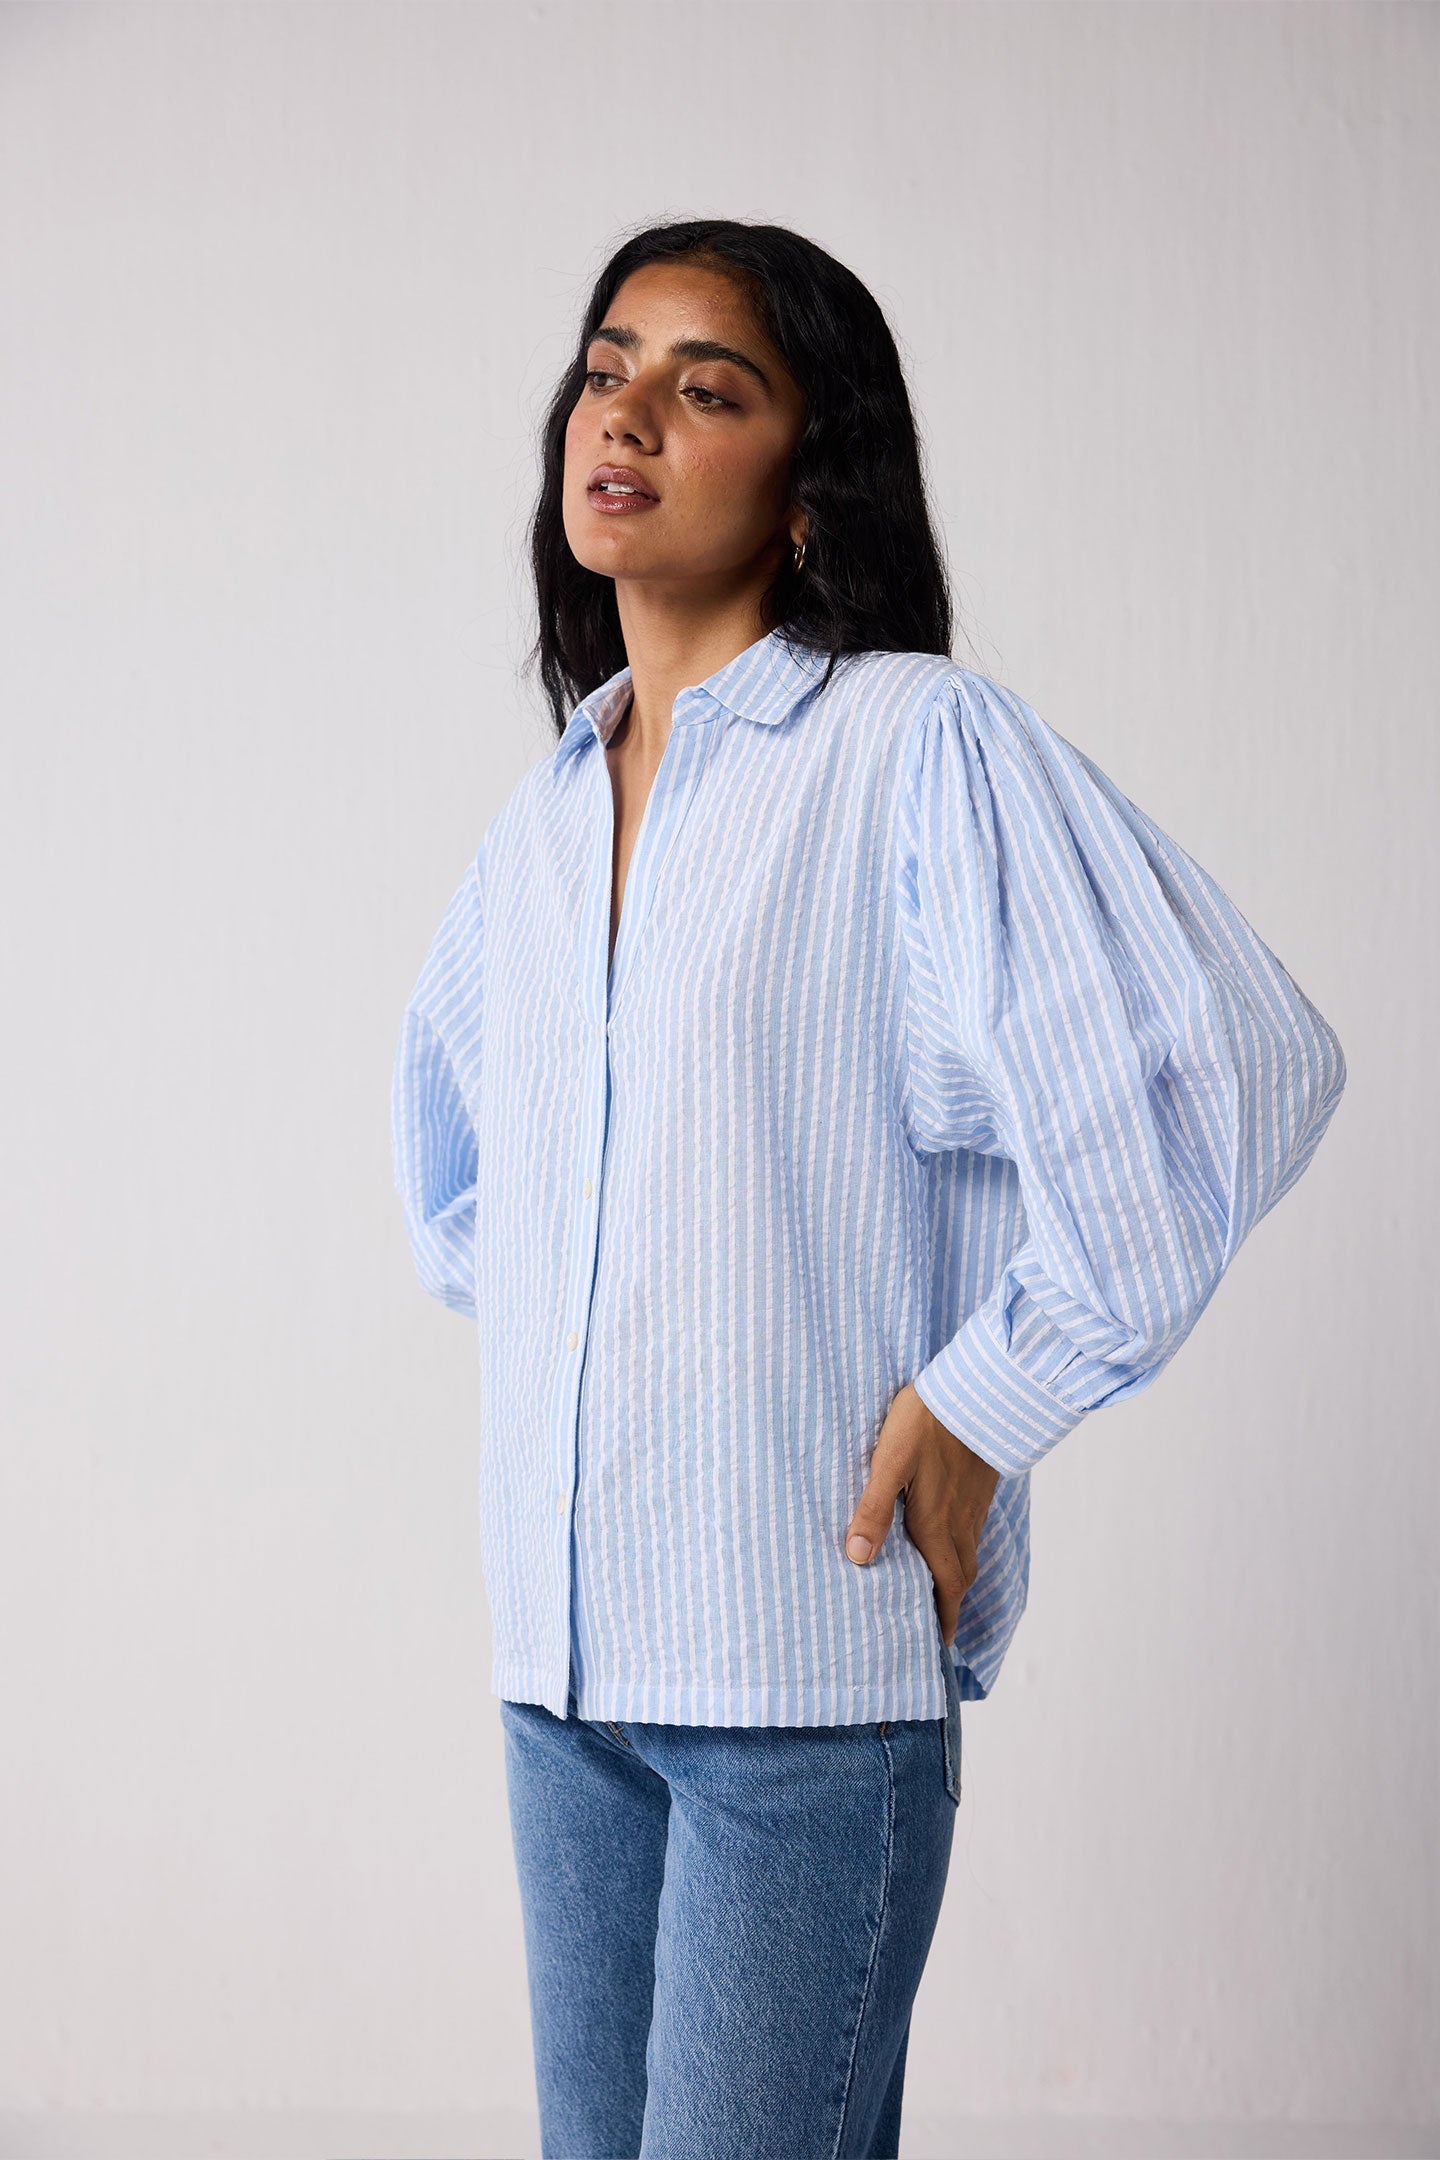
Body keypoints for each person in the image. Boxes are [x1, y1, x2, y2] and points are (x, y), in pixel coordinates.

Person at [390, 218, 1347, 2160]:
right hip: (559, 1678)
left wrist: (983, 1398)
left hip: (800, 1690)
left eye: (706, 383)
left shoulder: (912, 749)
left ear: (811, 477)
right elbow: (470, 1198)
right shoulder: (544, 820)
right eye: (607, 364)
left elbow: (1233, 1076)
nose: (629, 411)